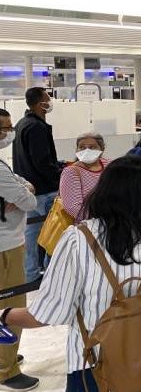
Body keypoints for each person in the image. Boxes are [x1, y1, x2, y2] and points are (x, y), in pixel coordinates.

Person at [1, 156, 141, 392]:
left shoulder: (77, 240)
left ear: (104, 189)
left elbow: (50, 313)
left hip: (92, 360)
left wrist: (5, 315)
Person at [0, 109, 40, 391]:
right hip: (6, 246)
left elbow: (22, 186)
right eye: (4, 128)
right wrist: (24, 191)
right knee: (10, 306)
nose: (8, 132)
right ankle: (6, 368)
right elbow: (29, 202)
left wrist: (22, 188)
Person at [12, 87, 62, 283]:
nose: (50, 102)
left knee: (31, 234)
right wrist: (59, 176)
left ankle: (31, 274)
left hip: (30, 189)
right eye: (48, 98)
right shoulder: (36, 127)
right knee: (53, 233)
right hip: (44, 190)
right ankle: (50, 274)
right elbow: (42, 161)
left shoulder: (22, 124)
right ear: (41, 104)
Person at [59, 133, 109, 223]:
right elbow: (73, 207)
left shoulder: (110, 165)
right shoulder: (71, 172)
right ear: (76, 150)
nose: (87, 151)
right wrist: (102, 219)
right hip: (89, 224)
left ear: (102, 149)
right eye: (82, 147)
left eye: (92, 147)